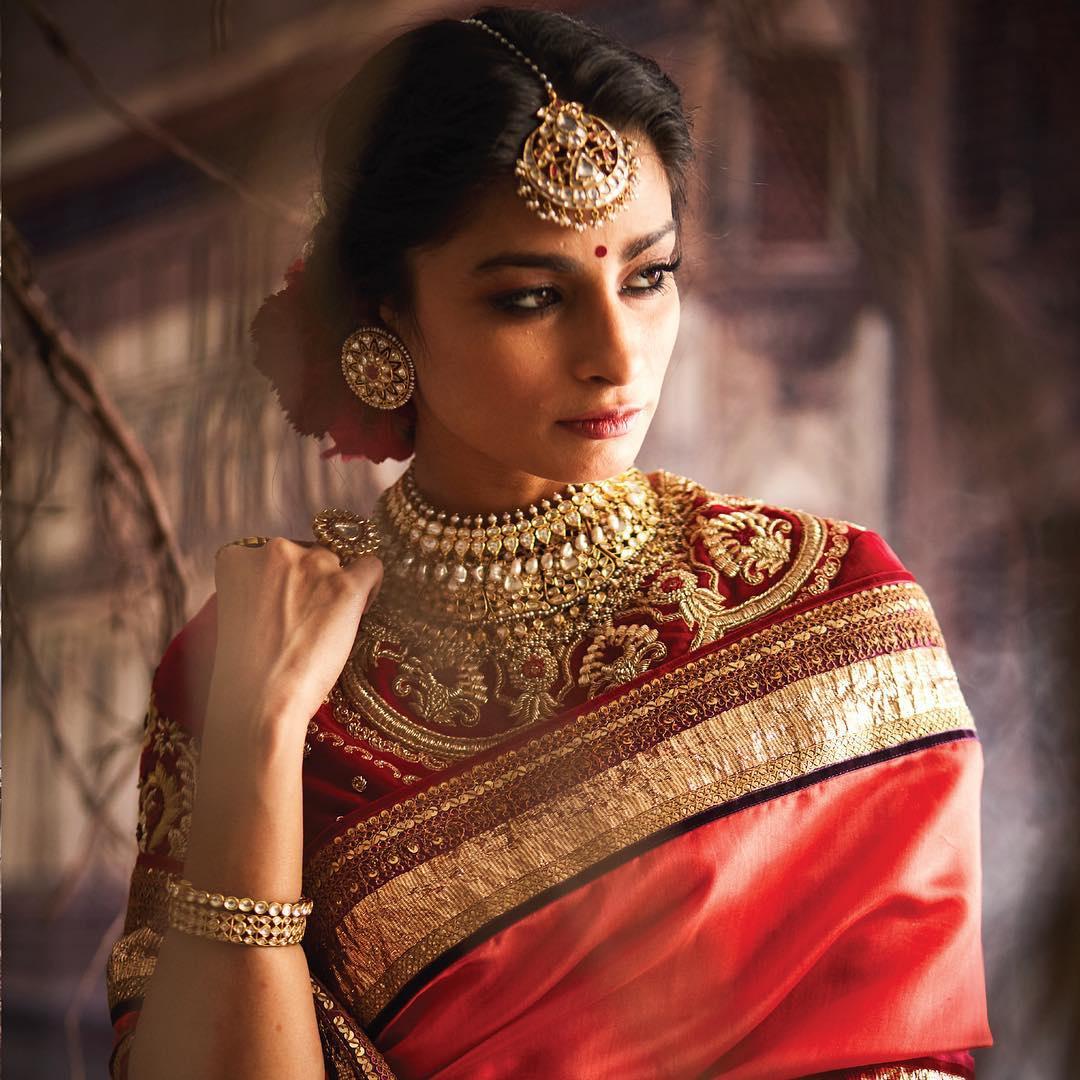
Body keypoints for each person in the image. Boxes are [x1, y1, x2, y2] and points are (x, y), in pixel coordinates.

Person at [105, 7, 992, 1078]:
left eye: (648, 277)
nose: (616, 356)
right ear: (385, 313)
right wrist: (257, 735)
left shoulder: (835, 609)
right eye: (531, 297)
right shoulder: (240, 666)